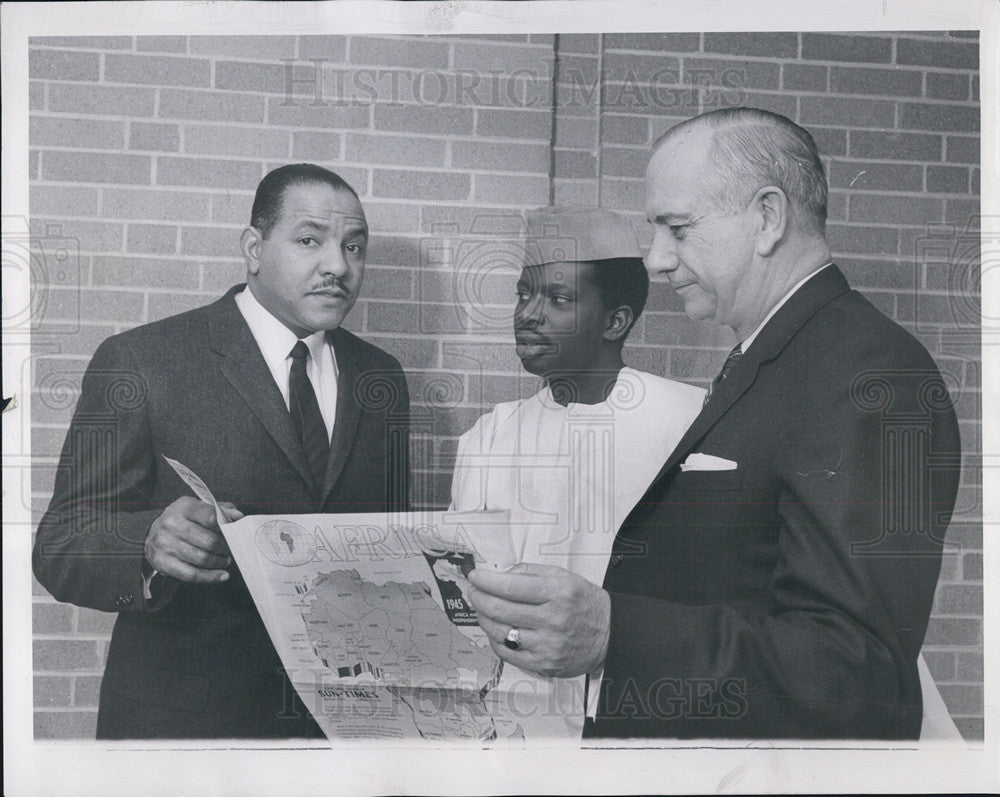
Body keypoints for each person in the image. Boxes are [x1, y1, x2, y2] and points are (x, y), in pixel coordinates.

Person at [465, 108, 962, 739]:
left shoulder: (870, 373)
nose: (655, 259)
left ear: (768, 218)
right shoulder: (777, 355)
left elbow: (858, 675)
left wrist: (617, 633)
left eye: (677, 228)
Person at [33, 163, 411, 739]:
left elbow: (390, 547)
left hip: (342, 735)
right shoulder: (142, 360)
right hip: (184, 733)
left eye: (354, 247)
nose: (339, 266)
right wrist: (146, 542)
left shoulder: (380, 379)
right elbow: (60, 542)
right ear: (254, 249)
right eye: (310, 240)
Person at [450, 206, 704, 737]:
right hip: (514, 727)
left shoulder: (688, 424)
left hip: (638, 719)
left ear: (616, 320)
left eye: (559, 299)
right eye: (524, 293)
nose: (528, 314)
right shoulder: (489, 438)